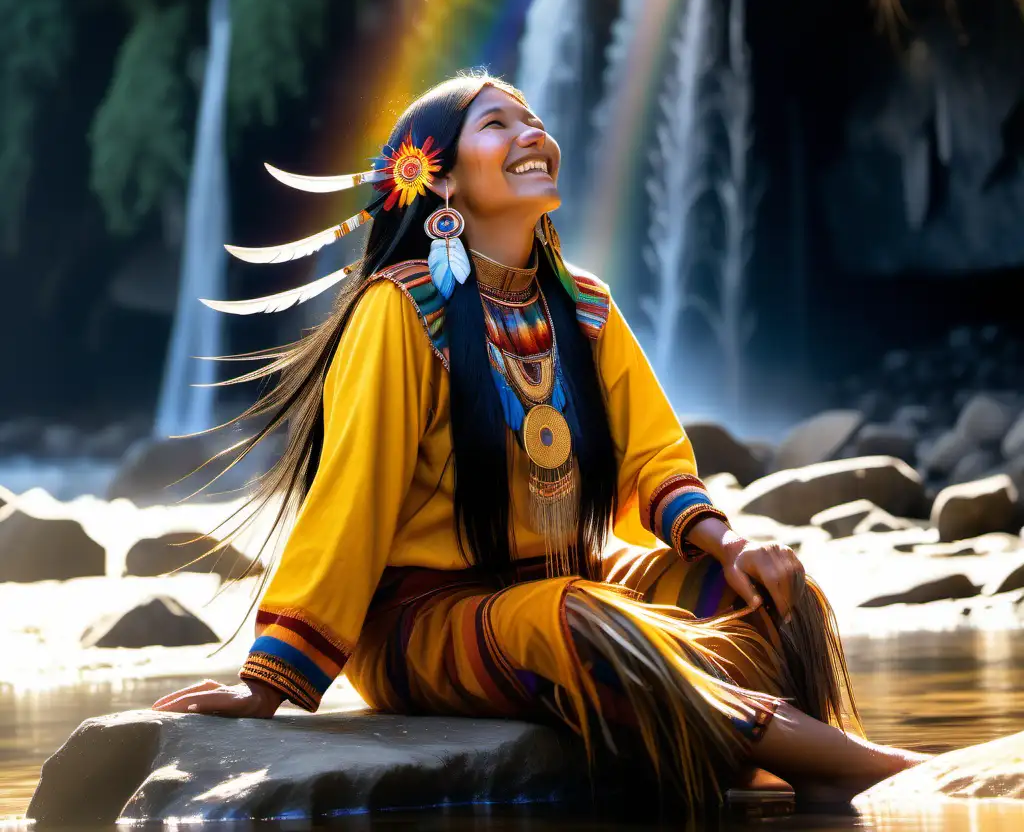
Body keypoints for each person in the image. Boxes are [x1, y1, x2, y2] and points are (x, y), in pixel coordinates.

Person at [152, 73, 925, 810]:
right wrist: (273, 680)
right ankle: (828, 766)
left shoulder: (583, 303)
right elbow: (350, 500)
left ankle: (739, 744)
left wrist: (729, 545)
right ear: (442, 180)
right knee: (582, 618)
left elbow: (654, 459)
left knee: (762, 594)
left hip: (567, 578)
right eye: (498, 123)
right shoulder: (398, 311)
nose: (533, 133)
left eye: (533, 119)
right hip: (424, 622)